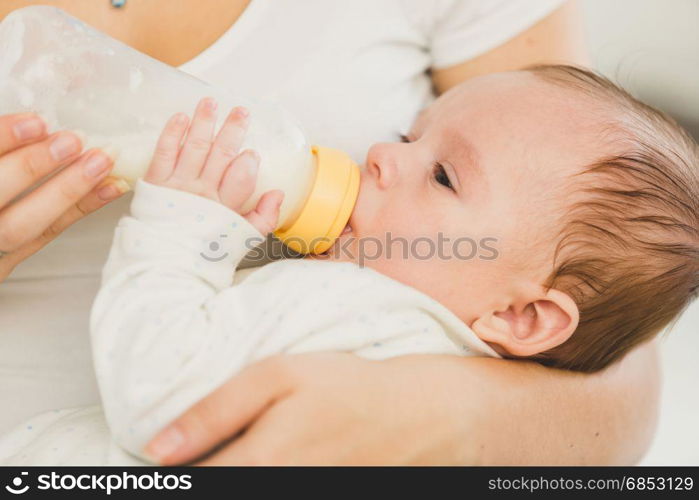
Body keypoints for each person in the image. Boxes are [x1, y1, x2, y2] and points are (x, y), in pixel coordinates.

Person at [0, 0, 660, 465]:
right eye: (409, 133)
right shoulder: (424, 324)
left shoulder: (349, 311)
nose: (380, 154)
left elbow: (160, 401)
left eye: (442, 177)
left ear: (522, 316)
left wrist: (178, 228)